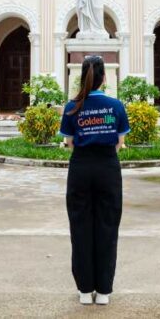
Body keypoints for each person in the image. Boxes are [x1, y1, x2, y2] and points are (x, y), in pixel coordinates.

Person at [59, 55, 130, 306]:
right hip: (108, 169)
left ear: (82, 76)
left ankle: (84, 290)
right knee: (107, 227)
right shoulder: (116, 106)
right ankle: (103, 292)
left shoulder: (72, 107)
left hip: (80, 168)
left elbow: (69, 143)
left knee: (80, 228)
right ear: (104, 78)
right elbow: (120, 143)